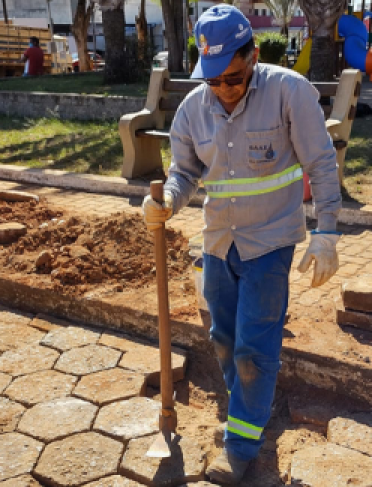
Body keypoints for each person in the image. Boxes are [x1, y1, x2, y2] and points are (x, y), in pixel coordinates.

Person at [142, 5, 341, 484]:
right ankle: (247, 412)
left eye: (232, 78)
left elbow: (321, 162)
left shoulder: (288, 92)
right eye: (214, 81)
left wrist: (328, 231)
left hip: (270, 243)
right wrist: (167, 201)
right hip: (218, 242)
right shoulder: (194, 108)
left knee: (254, 346)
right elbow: (185, 172)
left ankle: (241, 445)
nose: (224, 91)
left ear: (252, 56)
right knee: (224, 340)